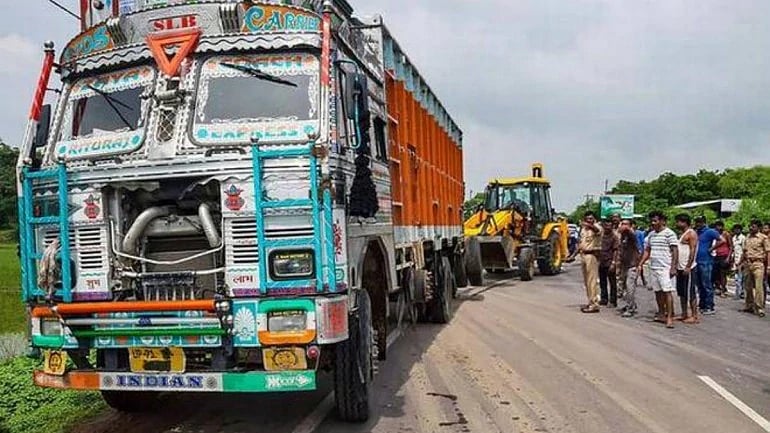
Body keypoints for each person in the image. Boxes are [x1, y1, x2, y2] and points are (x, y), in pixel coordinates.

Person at [637, 211, 679, 328]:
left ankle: (670, 317)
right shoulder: (651, 235)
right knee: (658, 292)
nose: (653, 223)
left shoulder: (669, 233)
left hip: (665, 267)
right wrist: (641, 263)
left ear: (661, 221)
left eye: (655, 220)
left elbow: (675, 250)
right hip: (654, 267)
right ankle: (661, 313)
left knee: (667, 292)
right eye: (652, 221)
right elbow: (647, 250)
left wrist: (673, 267)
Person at [738, 220, 770, 318]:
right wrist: (740, 263)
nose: (751, 228)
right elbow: (744, 251)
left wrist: (768, 266)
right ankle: (749, 305)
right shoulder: (747, 237)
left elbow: (768, 252)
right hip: (748, 263)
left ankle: (759, 307)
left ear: (758, 228)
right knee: (748, 286)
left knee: (759, 286)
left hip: (758, 263)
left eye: (753, 226)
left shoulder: (763, 238)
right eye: (750, 226)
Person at [694, 216, 724, 315]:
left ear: (703, 222)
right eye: (696, 222)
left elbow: (722, 240)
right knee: (699, 285)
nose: (697, 224)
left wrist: (712, 248)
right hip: (697, 261)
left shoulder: (710, 231)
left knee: (707, 284)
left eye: (699, 222)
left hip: (706, 261)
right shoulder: (696, 232)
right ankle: (702, 304)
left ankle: (709, 306)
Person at [675, 214, 699, 324]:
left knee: (690, 292)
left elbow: (693, 250)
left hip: (688, 267)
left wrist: (688, 266)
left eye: (678, 222)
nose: (677, 224)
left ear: (684, 222)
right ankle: (684, 313)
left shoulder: (691, 233)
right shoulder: (682, 234)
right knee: (682, 292)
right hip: (680, 267)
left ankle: (694, 316)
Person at [579, 211, 602, 313]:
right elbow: (580, 243)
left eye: (591, 218)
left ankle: (595, 304)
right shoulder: (584, 230)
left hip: (592, 255)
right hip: (583, 255)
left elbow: (597, 230)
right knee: (587, 282)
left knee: (592, 281)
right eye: (588, 219)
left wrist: (589, 225)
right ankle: (590, 301)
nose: (589, 220)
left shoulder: (597, 227)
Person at [616, 219, 640, 317]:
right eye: (622, 224)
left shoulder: (632, 235)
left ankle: (630, 309)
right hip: (624, 265)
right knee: (625, 288)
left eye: (626, 224)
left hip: (632, 265)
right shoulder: (622, 236)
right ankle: (631, 305)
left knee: (630, 288)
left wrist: (627, 229)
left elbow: (631, 235)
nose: (623, 226)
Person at [599, 219, 619, 307]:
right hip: (601, 261)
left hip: (610, 261)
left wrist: (613, 263)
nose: (608, 227)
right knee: (602, 282)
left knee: (612, 282)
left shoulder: (614, 237)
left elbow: (615, 250)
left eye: (610, 226)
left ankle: (613, 301)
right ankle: (604, 299)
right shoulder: (601, 236)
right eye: (606, 225)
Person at [712, 221, 733, 297]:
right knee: (716, 273)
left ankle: (723, 290)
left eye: (719, 226)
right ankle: (718, 287)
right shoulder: (715, 235)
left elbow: (731, 246)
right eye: (717, 226)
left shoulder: (726, 234)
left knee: (723, 274)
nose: (718, 228)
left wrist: (728, 257)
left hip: (724, 255)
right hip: (716, 255)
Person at [732, 224, 746, 300]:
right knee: (737, 277)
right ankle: (739, 292)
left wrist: (741, 261)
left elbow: (744, 251)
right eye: (735, 229)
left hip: (741, 260)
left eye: (738, 229)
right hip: (735, 260)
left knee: (740, 278)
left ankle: (740, 293)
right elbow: (733, 250)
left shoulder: (743, 238)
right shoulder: (734, 238)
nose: (736, 230)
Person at [634, 222, 648, 288]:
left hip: (639, 251)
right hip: (633, 251)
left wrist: (642, 251)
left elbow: (642, 242)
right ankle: (639, 280)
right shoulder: (631, 232)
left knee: (639, 266)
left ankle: (640, 279)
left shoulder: (639, 233)